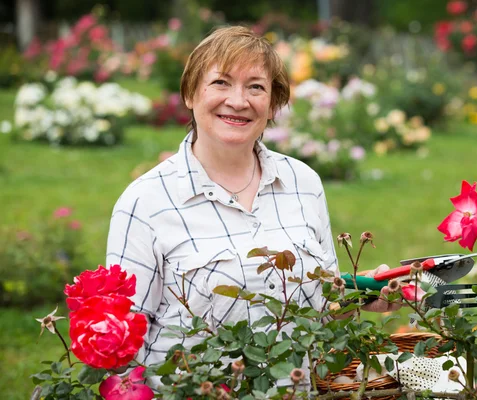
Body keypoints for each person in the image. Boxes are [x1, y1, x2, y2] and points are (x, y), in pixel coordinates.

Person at [106, 26, 398, 387]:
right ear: (190, 94)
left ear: (273, 104)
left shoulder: (303, 184)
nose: (239, 101)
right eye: (221, 83)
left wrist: (363, 295)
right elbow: (121, 349)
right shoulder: (145, 203)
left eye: (256, 87)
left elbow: (320, 312)